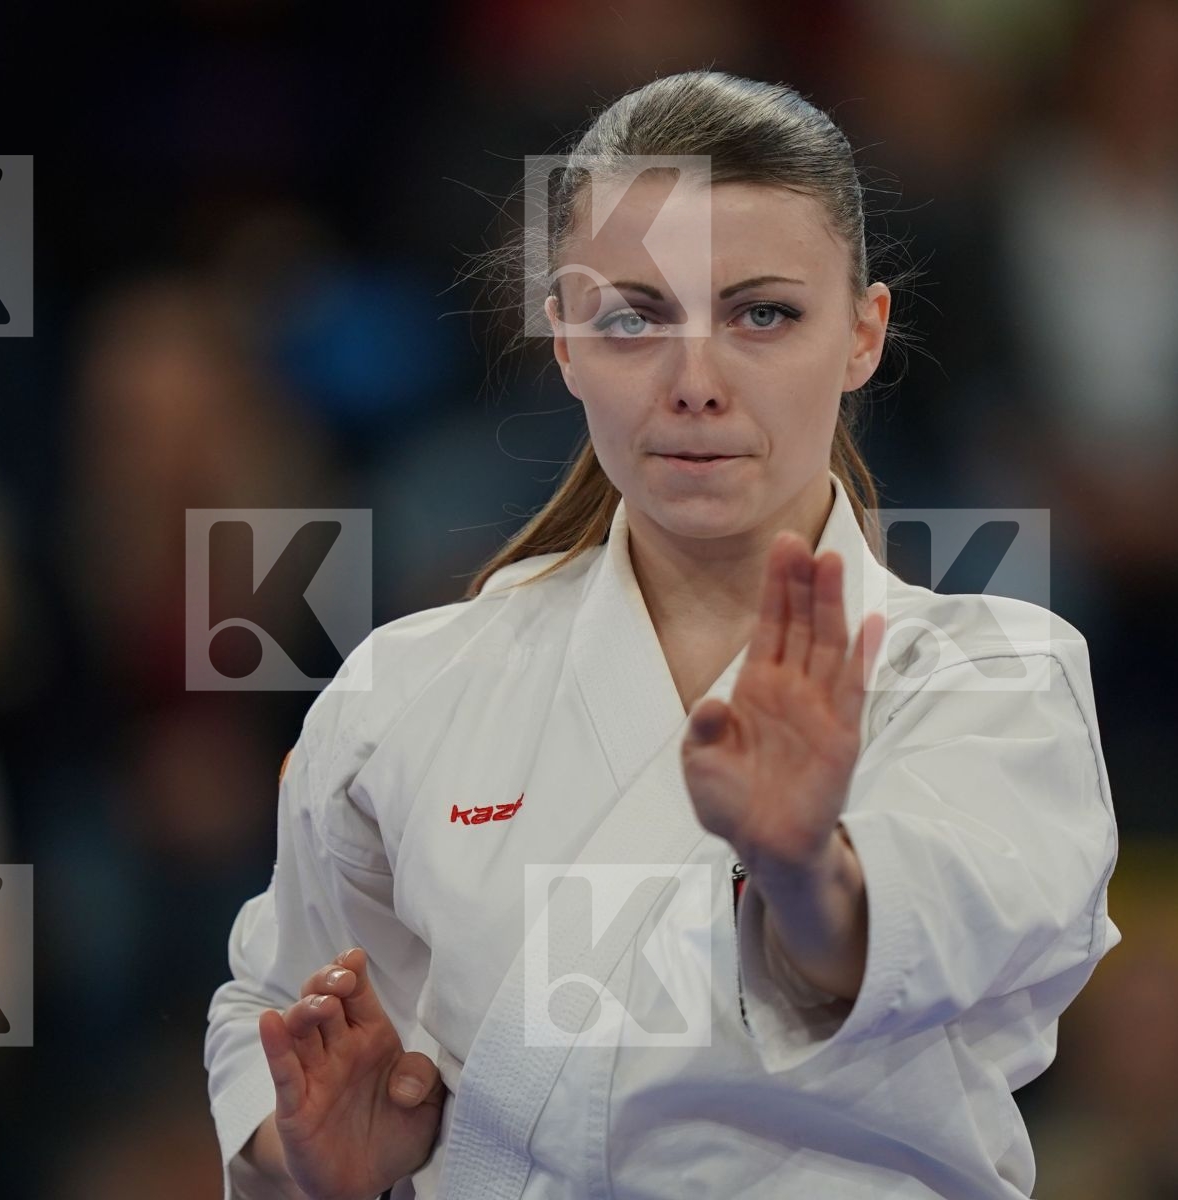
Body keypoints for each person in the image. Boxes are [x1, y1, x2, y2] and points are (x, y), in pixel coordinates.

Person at [204, 69, 1121, 1200]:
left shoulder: (992, 681)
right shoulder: (409, 688)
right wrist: (304, 1156)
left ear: (863, 336)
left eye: (763, 315)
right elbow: (270, 1002)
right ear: (565, 340)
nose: (695, 382)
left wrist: (802, 870)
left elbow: (914, 950)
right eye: (633, 318)